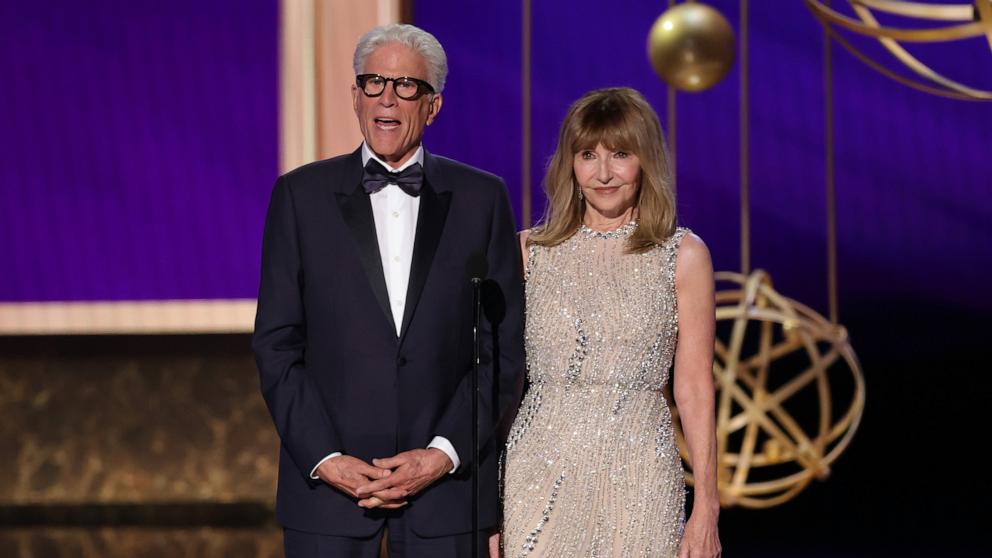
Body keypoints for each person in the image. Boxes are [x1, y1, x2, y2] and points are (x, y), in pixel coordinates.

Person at [252, 23, 524, 557]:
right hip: (325, 496)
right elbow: (276, 345)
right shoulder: (299, 196)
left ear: (434, 105)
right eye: (374, 83)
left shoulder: (482, 198)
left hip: (448, 494)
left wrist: (443, 453)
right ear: (355, 97)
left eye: (406, 87)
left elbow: (502, 350)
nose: (387, 99)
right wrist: (325, 457)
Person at [496, 87, 721, 557]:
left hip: (640, 471)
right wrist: (486, 509)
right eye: (587, 155)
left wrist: (707, 508)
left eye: (620, 154)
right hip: (536, 469)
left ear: (645, 161)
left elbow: (695, 388)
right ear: (569, 165)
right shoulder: (528, 252)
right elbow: (498, 381)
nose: (603, 173)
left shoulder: (683, 256)